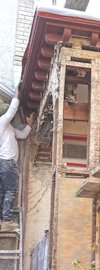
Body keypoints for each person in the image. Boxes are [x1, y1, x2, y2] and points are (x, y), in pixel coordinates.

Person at [0, 83, 34, 230]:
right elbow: (12, 110)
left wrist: (30, 124)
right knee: (10, 190)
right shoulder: (1, 122)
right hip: (8, 162)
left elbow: (23, 135)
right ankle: (6, 220)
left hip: (5, 162)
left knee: (3, 192)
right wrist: (16, 92)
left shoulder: (9, 128)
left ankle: (3, 220)